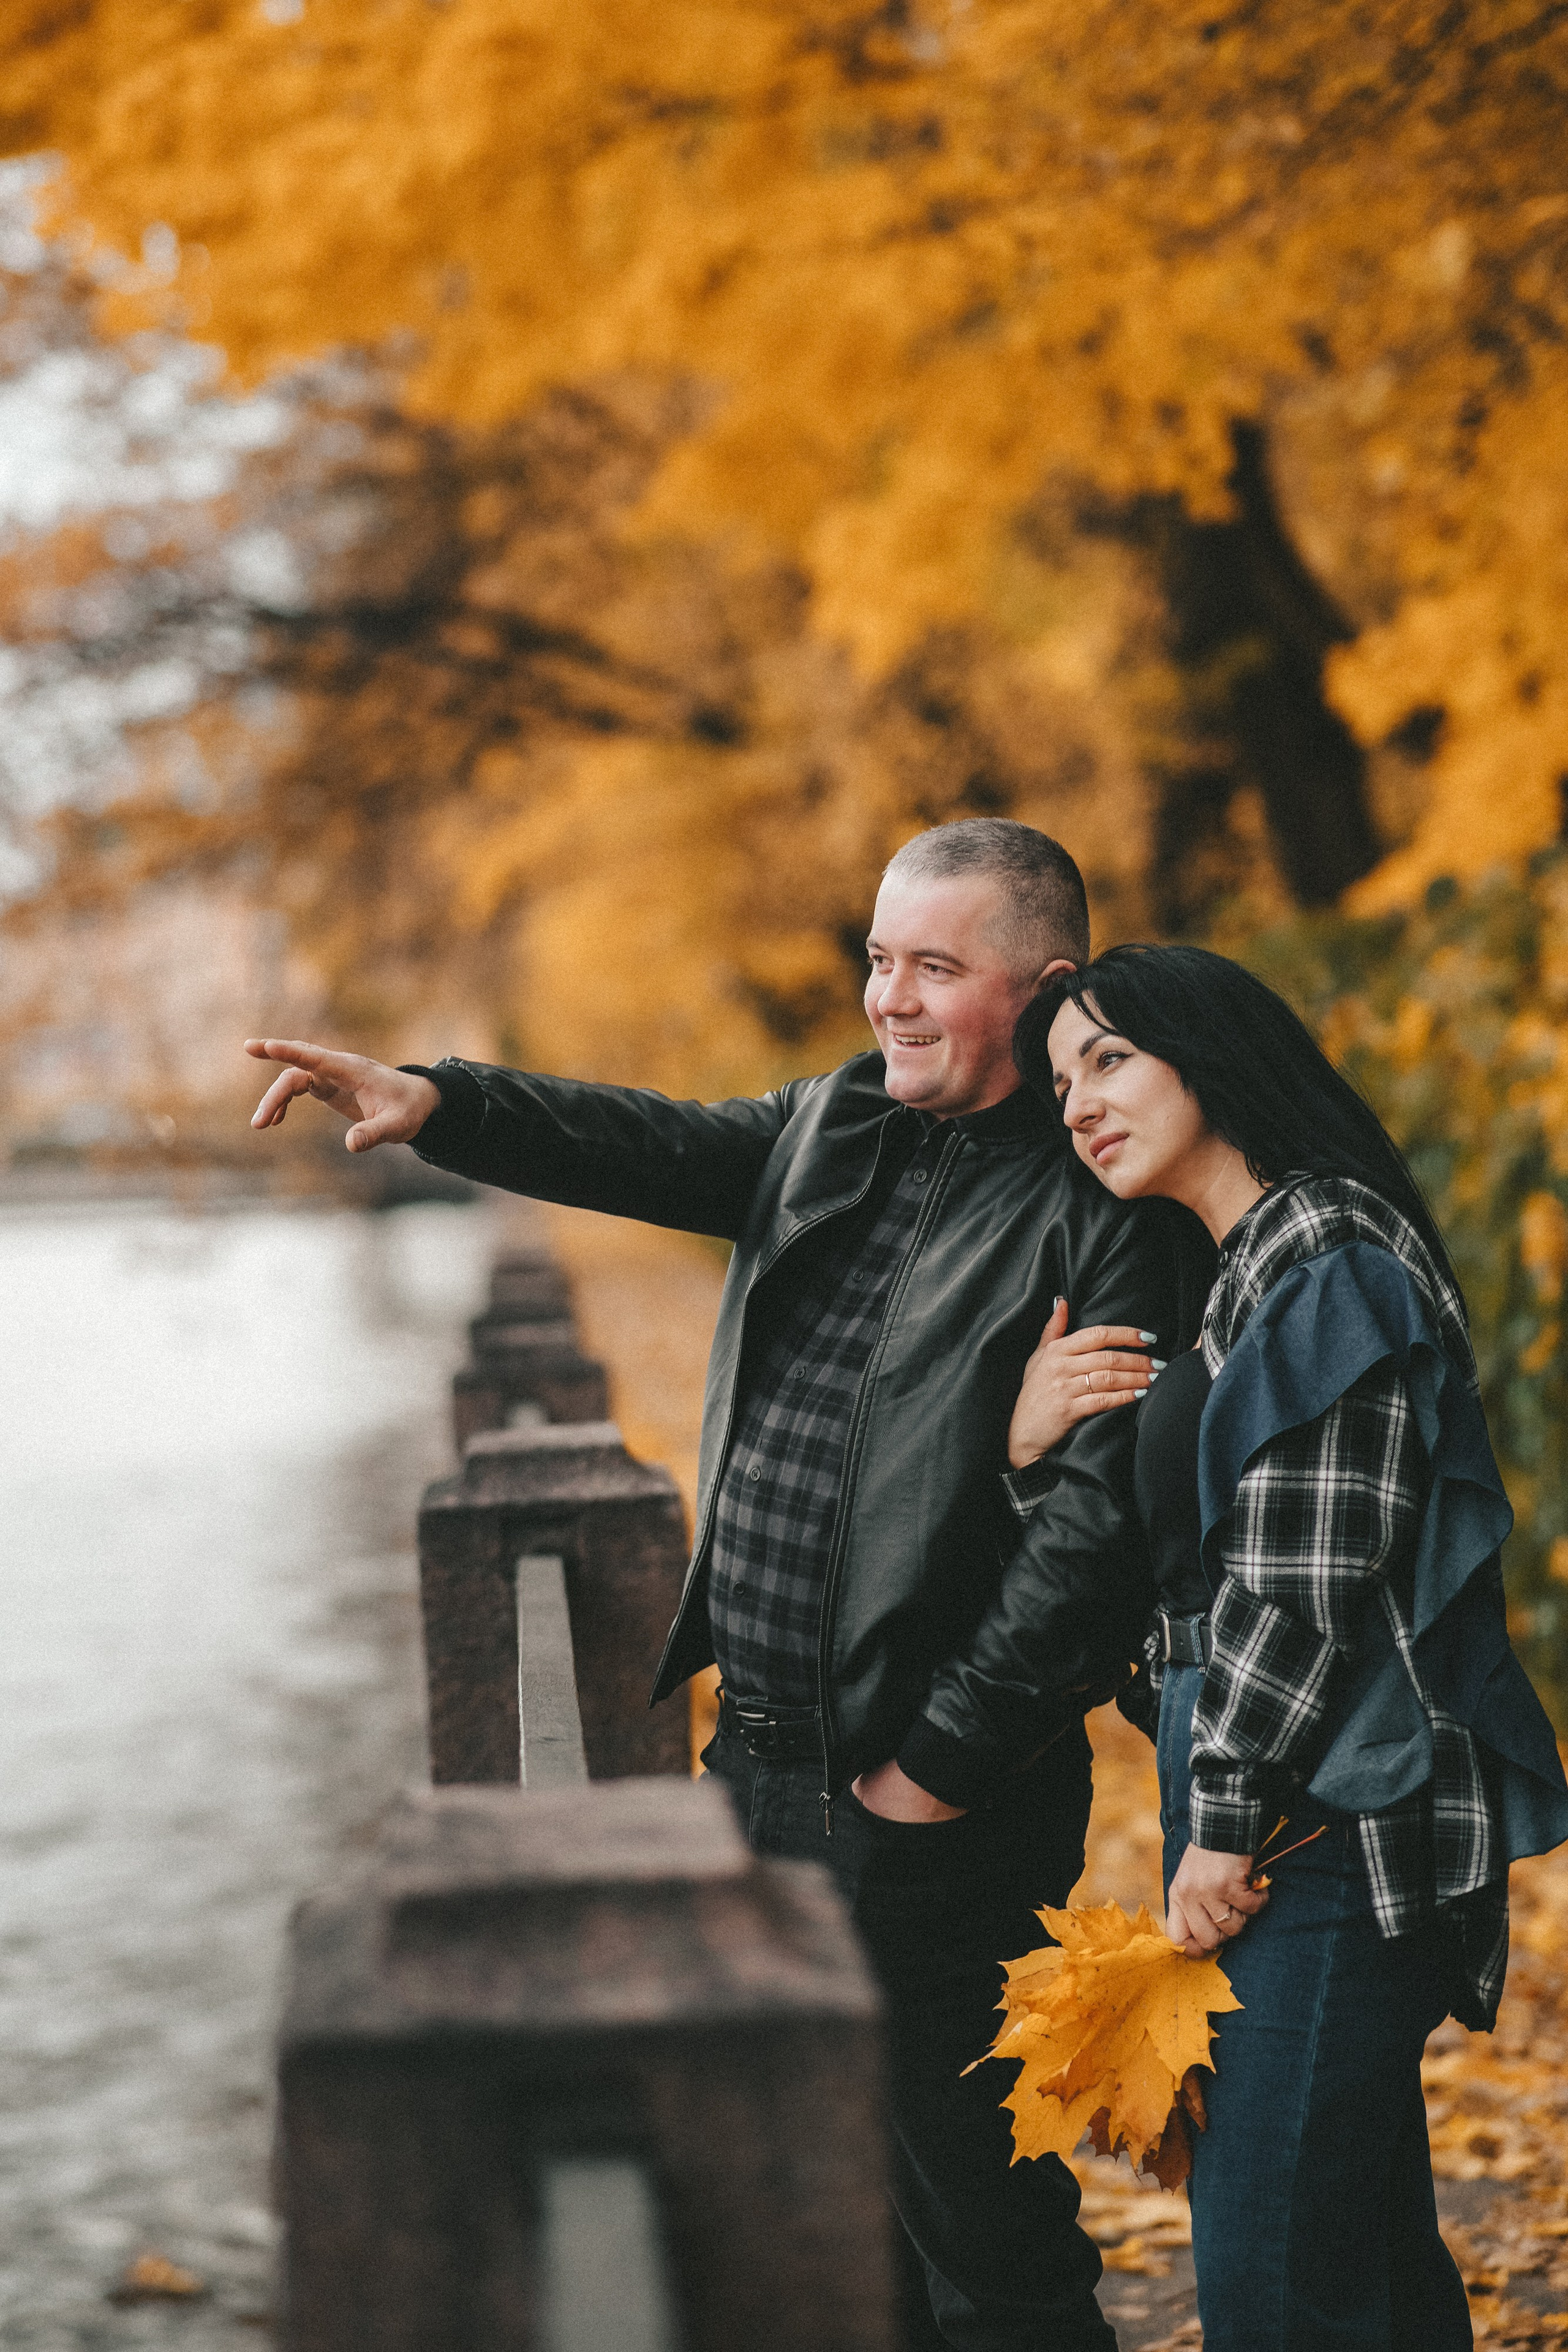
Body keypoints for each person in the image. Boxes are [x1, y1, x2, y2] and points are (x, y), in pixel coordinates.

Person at [247, 819, 1213, 2352]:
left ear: (1045, 993)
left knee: (978, 2224)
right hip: (757, 1758)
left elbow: (1090, 1551)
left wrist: (933, 1772)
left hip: (924, 1800)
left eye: (934, 968)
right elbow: (642, 1140)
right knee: (837, 2200)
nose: (887, 998)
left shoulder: (1103, 1198)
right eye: (880, 959)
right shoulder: (836, 1117)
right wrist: (438, 1101)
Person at [1006, 942, 1568, 2352]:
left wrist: (1222, 1818)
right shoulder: (1240, 1270)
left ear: (1210, 1054)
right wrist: (1026, 1451)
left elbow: (1298, 1580)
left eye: (1107, 1060)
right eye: (1061, 1075)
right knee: (1356, 2257)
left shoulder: (1325, 1253)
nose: (1075, 1102)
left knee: (1266, 2275)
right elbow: (1180, 1582)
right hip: (1281, 1821)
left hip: (1330, 1827)